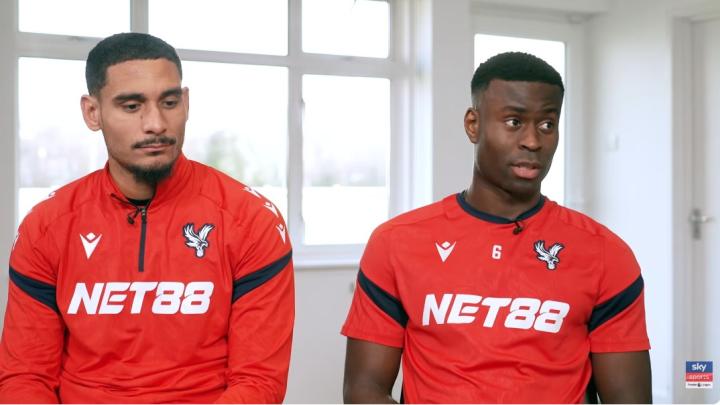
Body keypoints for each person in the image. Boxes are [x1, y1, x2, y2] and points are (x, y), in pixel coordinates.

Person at [341, 52, 651, 403]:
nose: (533, 141)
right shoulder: (396, 243)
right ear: (473, 125)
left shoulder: (605, 254)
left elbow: (630, 399)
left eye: (547, 125)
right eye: (514, 122)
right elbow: (363, 389)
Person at [0, 32, 294, 403]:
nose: (156, 123)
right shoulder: (46, 226)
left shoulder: (251, 221)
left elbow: (258, 382)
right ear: (93, 112)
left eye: (169, 102)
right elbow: (26, 377)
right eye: (131, 106)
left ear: (186, 103)